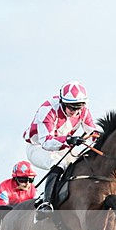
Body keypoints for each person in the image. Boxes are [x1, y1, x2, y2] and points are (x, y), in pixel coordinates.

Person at [23, 80, 99, 215]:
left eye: (78, 108)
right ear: (63, 103)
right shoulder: (47, 110)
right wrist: (69, 140)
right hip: (38, 146)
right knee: (59, 164)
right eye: (71, 108)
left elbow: (92, 132)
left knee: (81, 162)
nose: (75, 112)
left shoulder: (83, 111)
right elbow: (46, 142)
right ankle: (46, 203)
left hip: (62, 145)